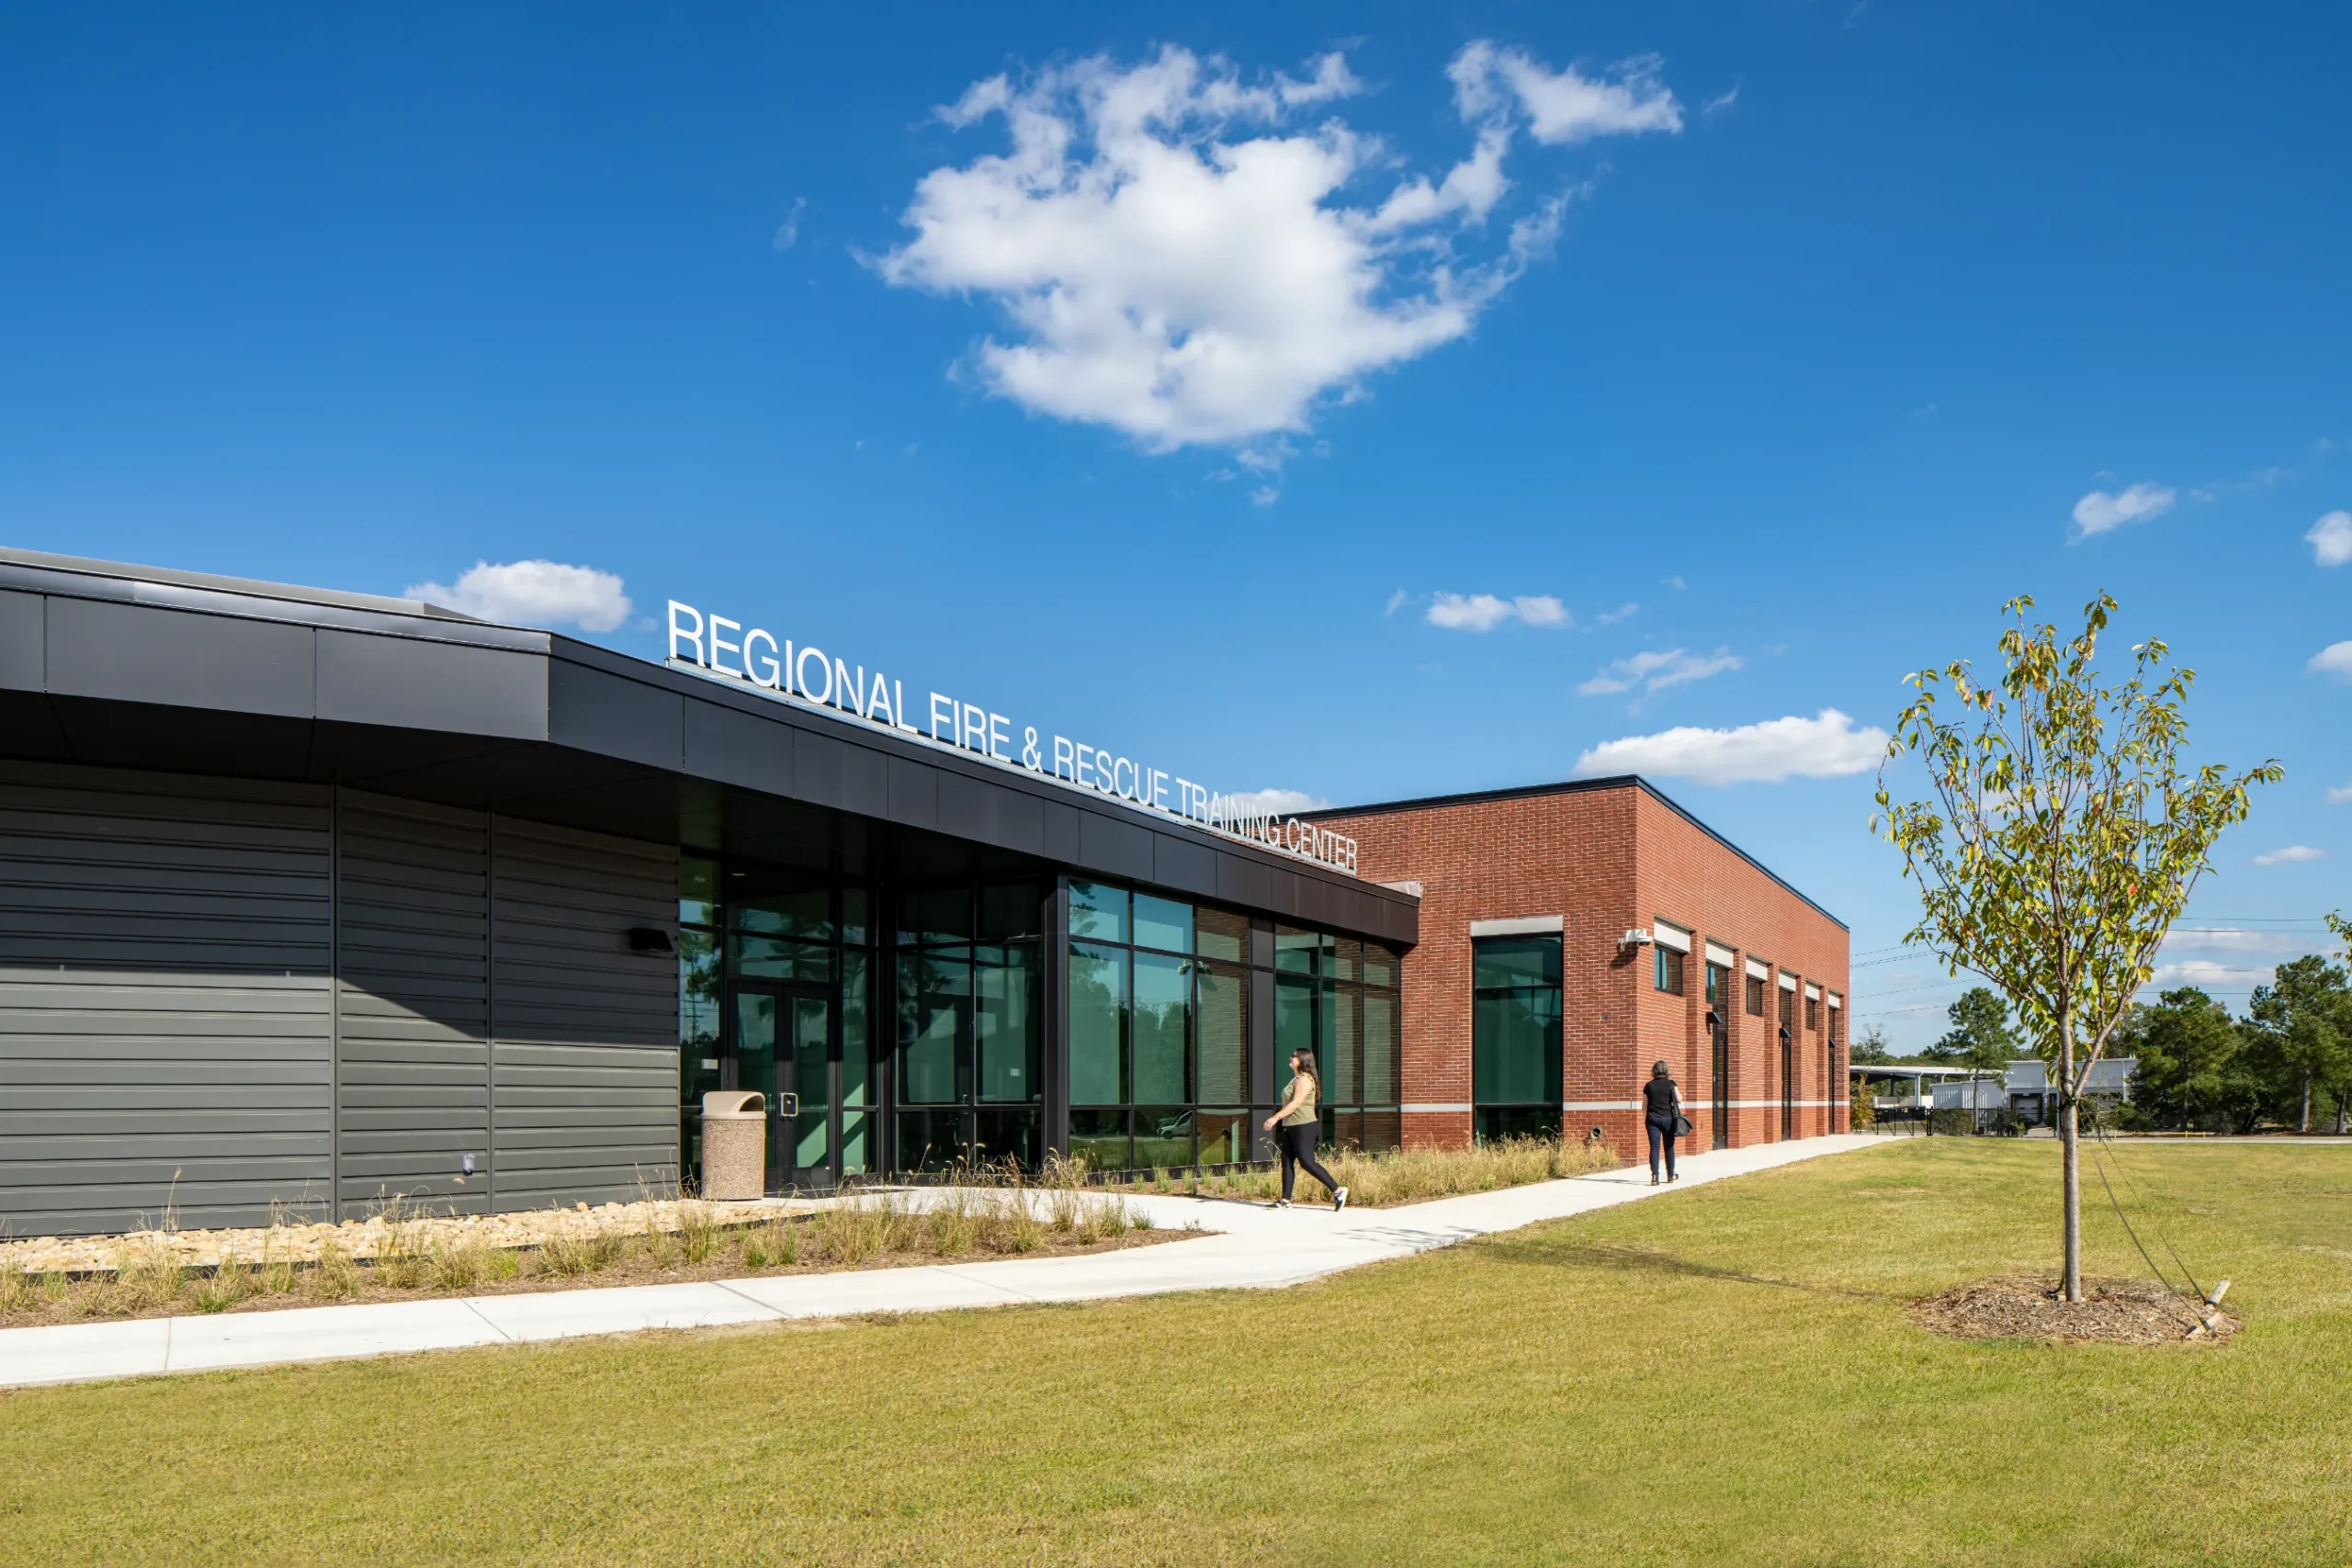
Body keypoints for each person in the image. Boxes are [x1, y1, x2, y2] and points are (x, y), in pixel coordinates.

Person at [1262, 1049, 1348, 1211]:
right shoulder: (1296, 1078)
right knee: (1286, 1162)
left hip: (1304, 1125)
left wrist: (1275, 1118)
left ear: (1302, 1059)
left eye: (1293, 1056)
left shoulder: (1305, 1079)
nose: (1291, 1057)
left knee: (1306, 1161)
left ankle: (1338, 1190)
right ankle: (1285, 1200)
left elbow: (1295, 1104)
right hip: (1291, 1125)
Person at [1644, 1058, 1682, 1185]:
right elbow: (1679, 1099)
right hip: (1668, 1119)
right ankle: (1670, 1175)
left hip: (1652, 1119)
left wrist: (1648, 1118)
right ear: (1666, 1070)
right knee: (1669, 1147)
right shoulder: (1671, 1084)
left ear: (1654, 1070)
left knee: (1654, 1147)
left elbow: (1644, 1106)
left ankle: (1655, 1176)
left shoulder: (1648, 1085)